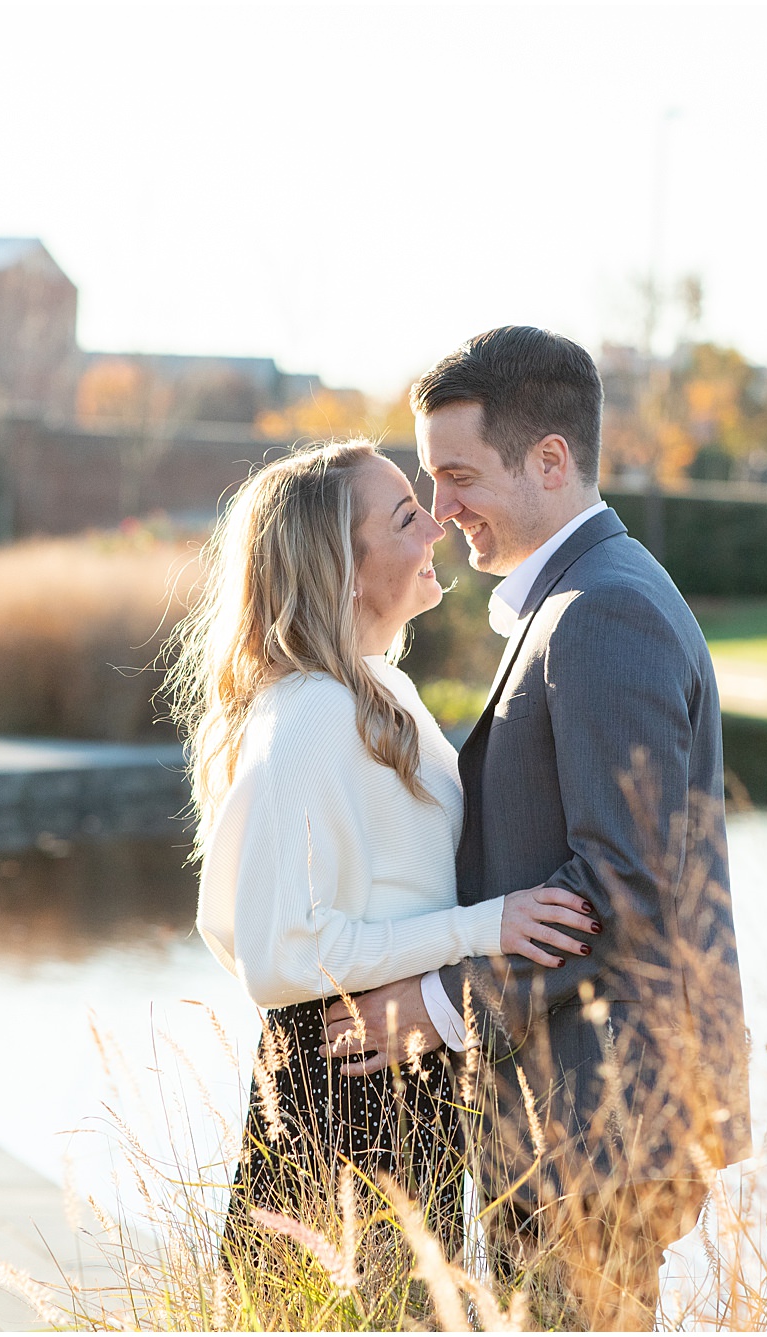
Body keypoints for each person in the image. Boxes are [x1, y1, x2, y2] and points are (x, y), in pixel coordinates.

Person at [319, 326, 752, 1329]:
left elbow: (623, 885)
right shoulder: (581, 595)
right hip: (569, 1116)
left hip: (595, 1122)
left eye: (459, 474)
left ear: (548, 459)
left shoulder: (603, 611)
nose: (441, 510)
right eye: (430, 481)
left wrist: (434, 1002)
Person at [166, 439, 598, 1270]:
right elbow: (280, 952)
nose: (438, 526)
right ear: (344, 570)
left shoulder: (380, 692)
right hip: (341, 1100)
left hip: (401, 1088)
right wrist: (483, 928)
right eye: (406, 517)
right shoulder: (313, 712)